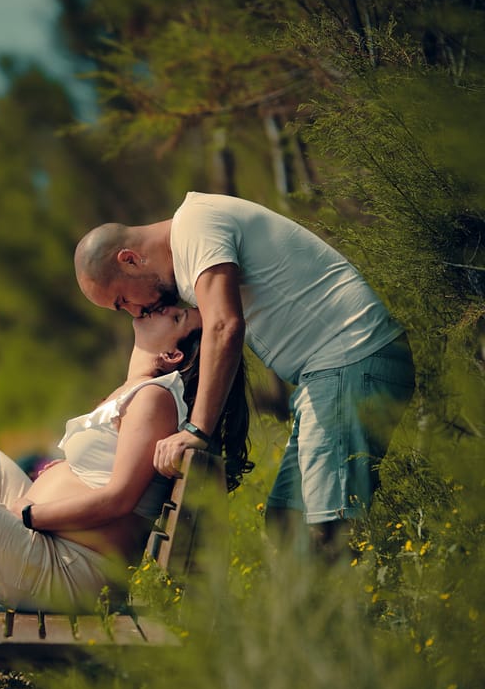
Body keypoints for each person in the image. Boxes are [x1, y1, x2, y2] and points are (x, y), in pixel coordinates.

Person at [75, 191, 415, 552]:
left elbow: (224, 326)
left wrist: (197, 430)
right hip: (328, 372)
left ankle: (382, 586)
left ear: (130, 259)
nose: (135, 312)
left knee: (328, 528)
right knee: (286, 522)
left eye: (123, 300)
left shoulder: (195, 227)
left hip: (350, 355)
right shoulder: (191, 245)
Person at [0, 306, 251, 621]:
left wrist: (30, 515)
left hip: (72, 573)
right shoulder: (138, 392)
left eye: (177, 317)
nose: (163, 307)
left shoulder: (155, 399)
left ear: (172, 355)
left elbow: (119, 499)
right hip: (55, 552)